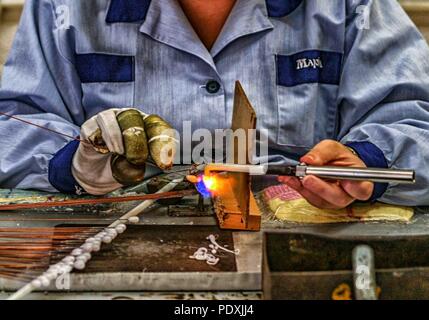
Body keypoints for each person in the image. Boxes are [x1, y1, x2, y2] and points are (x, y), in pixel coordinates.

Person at [1, 0, 429, 209]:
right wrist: (69, 165)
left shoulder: (349, 7)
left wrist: (366, 163)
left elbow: (417, 123)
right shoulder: (66, 8)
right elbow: (12, 125)